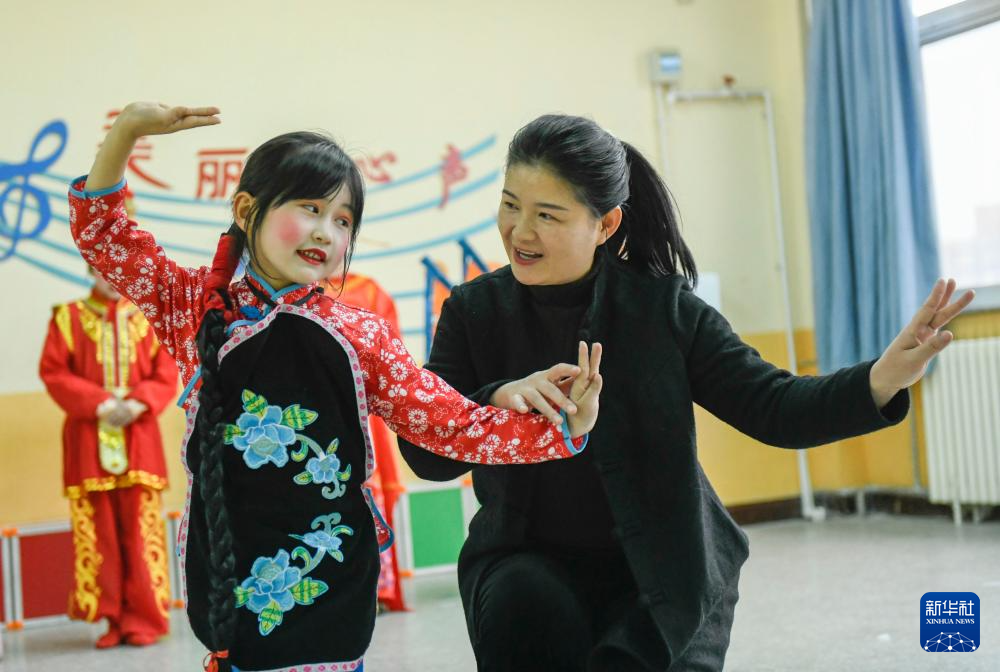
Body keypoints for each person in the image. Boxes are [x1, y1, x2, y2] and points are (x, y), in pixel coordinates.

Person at [397, 114, 976, 671]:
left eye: (547, 215)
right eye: (510, 205)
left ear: (605, 225)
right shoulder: (473, 311)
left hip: (665, 570)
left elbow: (775, 408)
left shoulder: (663, 309)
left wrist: (881, 379)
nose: (520, 232)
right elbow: (425, 457)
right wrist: (495, 401)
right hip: (528, 566)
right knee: (523, 606)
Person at [68, 102, 603, 672]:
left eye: (344, 220)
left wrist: (561, 427)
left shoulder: (361, 335)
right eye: (310, 208)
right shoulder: (193, 306)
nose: (327, 232)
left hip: (332, 584)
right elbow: (104, 234)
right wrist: (127, 129)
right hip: (225, 581)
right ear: (246, 209)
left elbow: (449, 423)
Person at [39, 265, 178, 648]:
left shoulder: (149, 319)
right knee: (98, 533)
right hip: (87, 438)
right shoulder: (67, 318)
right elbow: (53, 372)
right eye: (104, 271)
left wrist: (137, 403)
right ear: (89, 269)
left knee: (141, 530)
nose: (113, 279)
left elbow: (166, 372)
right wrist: (99, 403)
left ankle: (145, 619)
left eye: (120, 272)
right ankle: (111, 618)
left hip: (139, 437)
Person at [322, 270, 408, 612]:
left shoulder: (369, 292)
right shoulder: (289, 290)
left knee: (364, 491)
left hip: (359, 409)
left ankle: (374, 588)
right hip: (311, 407)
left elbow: (391, 354)